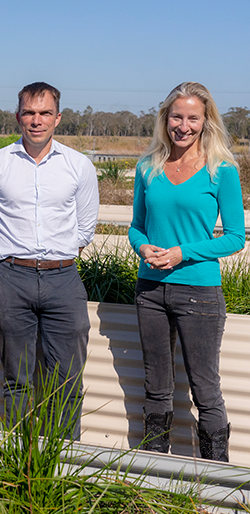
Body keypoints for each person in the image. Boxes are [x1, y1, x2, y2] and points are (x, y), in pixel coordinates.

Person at [0, 82, 99, 438]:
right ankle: (18, 457)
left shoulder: (79, 166)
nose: (36, 121)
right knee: (17, 379)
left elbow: (85, 227)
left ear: (58, 118)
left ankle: (64, 465)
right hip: (11, 278)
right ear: (18, 117)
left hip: (64, 280)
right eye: (29, 112)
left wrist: (57, 259)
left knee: (68, 380)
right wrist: (5, 265)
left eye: (44, 113)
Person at [128, 82, 244, 462]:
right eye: (176, 116)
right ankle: (154, 471)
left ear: (206, 121)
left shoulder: (222, 170)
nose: (184, 125)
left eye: (193, 118)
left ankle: (217, 482)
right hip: (150, 291)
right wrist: (142, 246)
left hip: (200, 292)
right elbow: (136, 226)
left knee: (205, 389)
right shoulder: (148, 167)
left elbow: (234, 238)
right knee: (156, 388)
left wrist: (182, 253)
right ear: (165, 118)